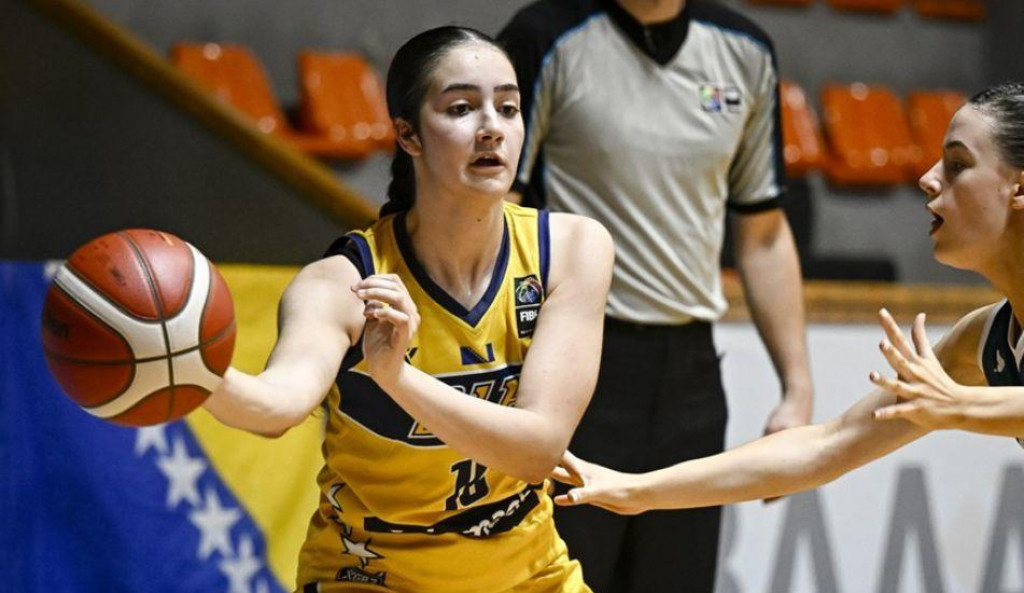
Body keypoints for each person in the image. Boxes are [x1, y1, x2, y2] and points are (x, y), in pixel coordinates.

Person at [202, 26, 614, 593]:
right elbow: (275, 408)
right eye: (462, 108)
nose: (492, 127)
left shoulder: (570, 249)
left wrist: (396, 377)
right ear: (408, 134)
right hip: (371, 571)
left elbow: (537, 449)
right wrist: (194, 372)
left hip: (527, 571)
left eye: (509, 107)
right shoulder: (344, 281)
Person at [549, 83, 1024, 517]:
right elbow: (828, 445)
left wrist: (959, 404)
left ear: (1019, 188)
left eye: (957, 164)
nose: (928, 178)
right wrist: (636, 489)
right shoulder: (983, 340)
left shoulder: (961, 384)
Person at [497, 1, 814, 590]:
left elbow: (764, 232)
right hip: (573, 362)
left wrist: (797, 389)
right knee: (558, 577)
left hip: (691, 377)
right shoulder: (545, 35)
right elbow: (495, 205)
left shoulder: (745, 49)